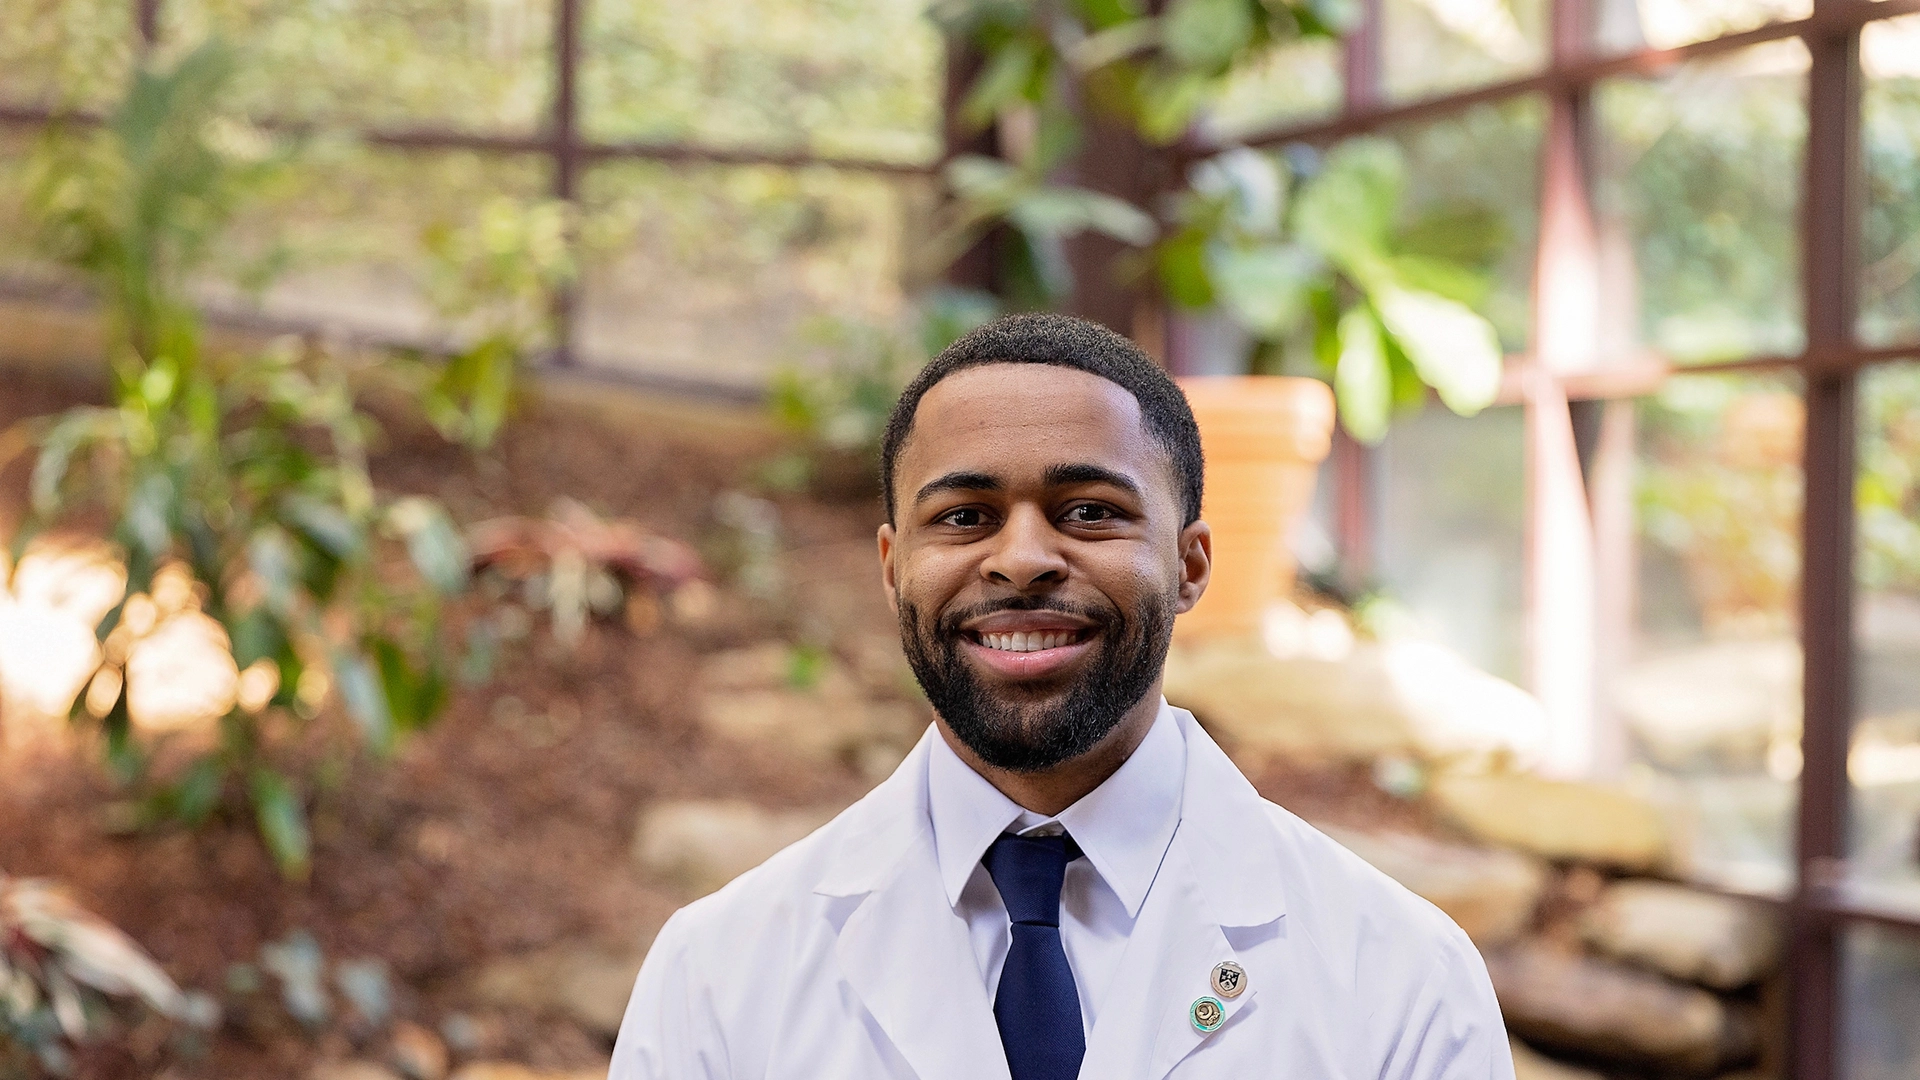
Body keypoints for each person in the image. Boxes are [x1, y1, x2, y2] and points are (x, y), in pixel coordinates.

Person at [610, 313, 1514, 1080]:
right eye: (964, 517)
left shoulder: (1402, 979)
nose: (1022, 559)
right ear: (893, 569)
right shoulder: (717, 976)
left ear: (1191, 563)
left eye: (1089, 511)